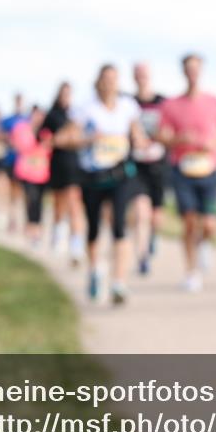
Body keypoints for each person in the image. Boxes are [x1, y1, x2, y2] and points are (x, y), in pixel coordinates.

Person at [71, 64, 148, 305]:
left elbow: (138, 133)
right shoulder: (86, 108)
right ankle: (95, 271)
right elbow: (68, 138)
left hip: (121, 173)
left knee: (119, 225)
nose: (110, 83)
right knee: (93, 228)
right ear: (98, 82)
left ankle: (118, 283)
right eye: (105, 79)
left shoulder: (128, 106)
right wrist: (88, 139)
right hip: (93, 176)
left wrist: (140, 140)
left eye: (114, 79)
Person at [158, 54, 216, 292]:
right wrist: (180, 139)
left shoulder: (214, 102)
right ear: (183, 72)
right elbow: (163, 136)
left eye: (196, 68)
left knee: (209, 225)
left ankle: (205, 244)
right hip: (183, 169)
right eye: (188, 69)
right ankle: (191, 272)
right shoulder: (171, 105)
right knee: (189, 222)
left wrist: (214, 142)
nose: (192, 73)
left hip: (209, 169)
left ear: (201, 71)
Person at [130, 62, 169, 276]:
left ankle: (154, 236)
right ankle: (142, 256)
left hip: (159, 164)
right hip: (137, 166)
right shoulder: (128, 102)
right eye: (138, 74)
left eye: (144, 74)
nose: (141, 77)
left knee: (156, 216)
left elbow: (170, 128)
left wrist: (156, 138)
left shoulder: (163, 102)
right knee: (140, 212)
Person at [42, 82, 85, 266]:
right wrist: (58, 139)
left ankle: (76, 245)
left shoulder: (77, 114)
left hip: (74, 164)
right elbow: (45, 138)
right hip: (58, 163)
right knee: (59, 203)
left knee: (74, 202)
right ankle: (58, 233)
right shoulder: (52, 115)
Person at [11, 105, 52, 247]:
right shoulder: (22, 128)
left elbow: (49, 149)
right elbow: (21, 146)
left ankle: (37, 229)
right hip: (27, 172)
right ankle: (31, 228)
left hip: (43, 173)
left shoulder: (46, 131)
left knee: (40, 202)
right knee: (31, 199)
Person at [0, 93, 28, 232]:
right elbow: (0, 135)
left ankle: (23, 221)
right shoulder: (8, 120)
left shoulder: (27, 119)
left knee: (23, 192)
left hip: (25, 161)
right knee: (11, 191)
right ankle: (12, 219)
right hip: (11, 160)